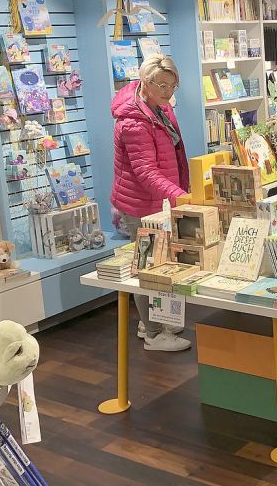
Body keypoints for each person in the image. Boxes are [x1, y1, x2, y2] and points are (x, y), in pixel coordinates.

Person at [111, 55, 191, 351]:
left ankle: (154, 321)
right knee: (146, 268)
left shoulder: (161, 108)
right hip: (141, 204)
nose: (168, 91)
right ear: (145, 82)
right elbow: (144, 171)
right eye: (162, 85)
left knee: (162, 263)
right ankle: (153, 335)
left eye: (172, 86)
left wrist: (179, 188)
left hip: (161, 199)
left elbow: (173, 154)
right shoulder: (133, 121)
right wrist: (179, 194)